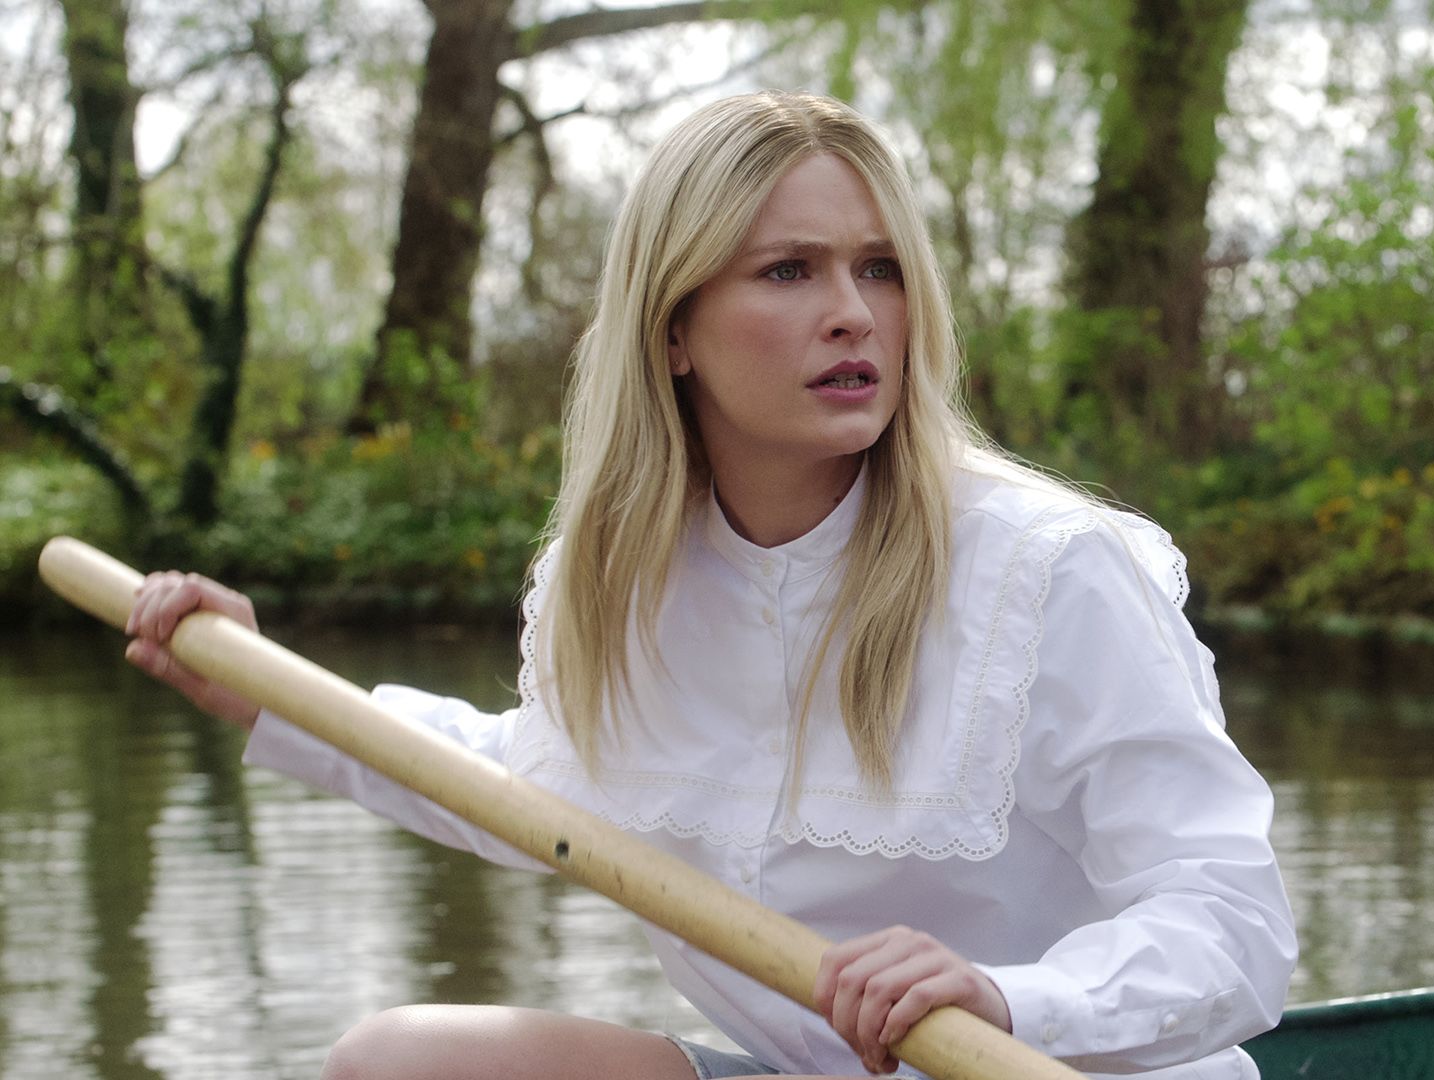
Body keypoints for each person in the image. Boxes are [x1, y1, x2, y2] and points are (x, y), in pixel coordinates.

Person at [123, 90, 1296, 1080]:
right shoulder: (630, 575)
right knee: (400, 1062)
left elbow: (1235, 927)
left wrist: (1006, 996)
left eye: (880, 269)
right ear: (673, 327)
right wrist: (268, 689)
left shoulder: (1051, 569)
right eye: (789, 269)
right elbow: (537, 792)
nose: (852, 312)